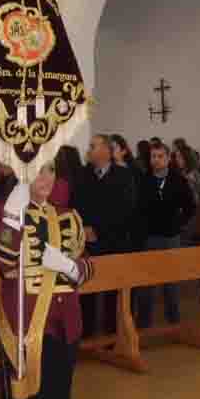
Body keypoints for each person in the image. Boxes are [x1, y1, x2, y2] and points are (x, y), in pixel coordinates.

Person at [0, 162, 94, 399]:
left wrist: (70, 267)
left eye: (49, 171)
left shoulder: (68, 216)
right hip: (25, 324)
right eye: (37, 172)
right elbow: (3, 262)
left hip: (65, 323)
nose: (45, 179)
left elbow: (87, 265)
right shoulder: (7, 214)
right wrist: (12, 216)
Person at [74, 134, 134, 335]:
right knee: (87, 293)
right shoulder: (82, 174)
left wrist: (98, 230)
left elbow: (125, 210)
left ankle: (111, 338)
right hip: (87, 243)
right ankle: (87, 336)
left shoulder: (123, 176)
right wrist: (84, 228)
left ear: (106, 151)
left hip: (114, 242)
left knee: (112, 294)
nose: (89, 150)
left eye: (93, 146)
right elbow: (76, 205)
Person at [136, 143, 195, 327]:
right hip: (149, 237)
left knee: (171, 280)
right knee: (147, 281)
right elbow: (136, 209)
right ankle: (144, 321)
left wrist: (179, 223)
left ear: (168, 158)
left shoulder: (178, 180)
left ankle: (173, 320)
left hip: (171, 237)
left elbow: (190, 207)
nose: (156, 160)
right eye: (153, 156)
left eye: (160, 156)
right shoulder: (143, 180)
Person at [50, 145, 82, 209]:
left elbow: (56, 205)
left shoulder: (62, 183)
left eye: (58, 156)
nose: (55, 158)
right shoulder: (77, 179)